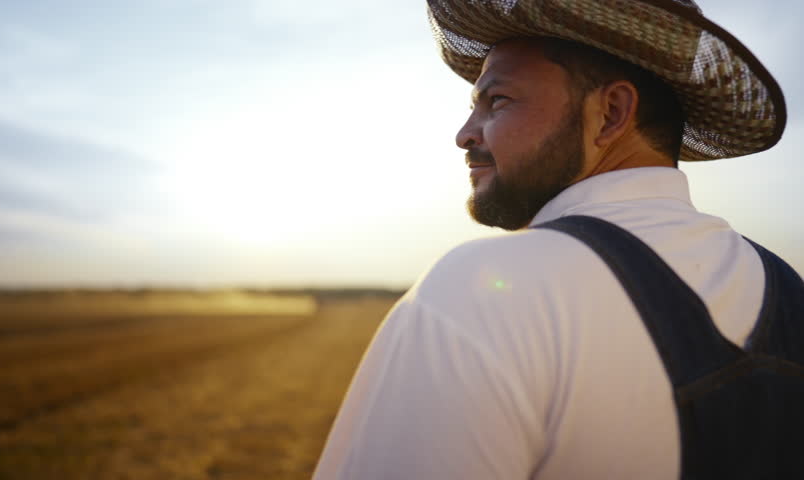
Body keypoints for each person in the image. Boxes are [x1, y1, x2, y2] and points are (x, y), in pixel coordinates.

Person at [314, 1, 802, 478]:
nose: (465, 134)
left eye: (497, 100)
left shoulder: (481, 290)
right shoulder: (789, 292)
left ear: (610, 113)